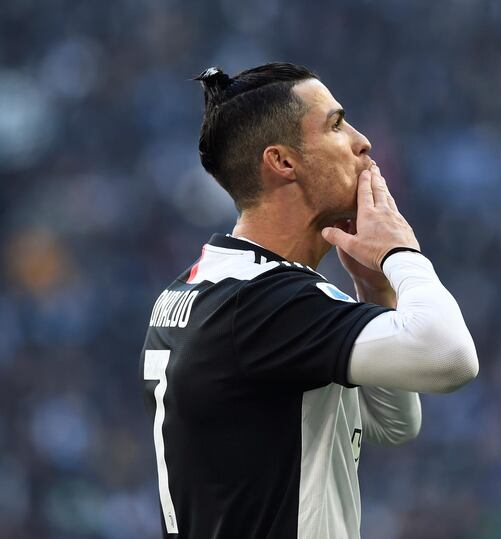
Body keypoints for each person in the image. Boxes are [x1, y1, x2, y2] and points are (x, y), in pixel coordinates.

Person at [139, 62, 479, 539]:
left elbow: (392, 423)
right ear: (282, 162)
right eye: (337, 125)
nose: (363, 142)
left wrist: (375, 293)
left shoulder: (202, 288)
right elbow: (451, 358)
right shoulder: (260, 304)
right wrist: (402, 254)